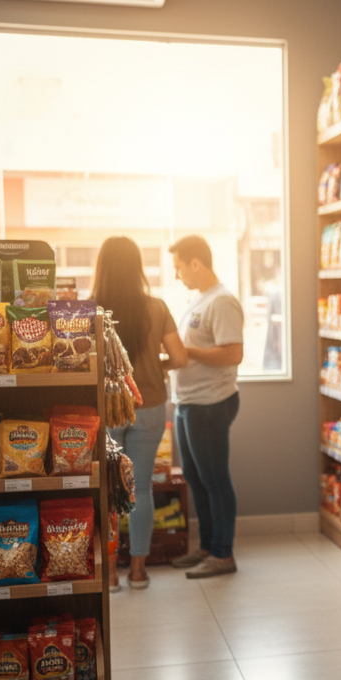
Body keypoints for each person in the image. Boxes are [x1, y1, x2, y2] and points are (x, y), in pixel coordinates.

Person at [92, 236, 187, 590]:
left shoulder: (89, 309)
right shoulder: (157, 307)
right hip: (148, 405)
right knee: (140, 488)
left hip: (106, 410)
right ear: (138, 268)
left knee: (107, 489)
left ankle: (111, 574)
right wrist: (152, 366)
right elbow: (179, 358)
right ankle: (138, 571)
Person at [168, 235, 244, 579]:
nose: (177, 275)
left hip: (210, 403)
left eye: (179, 268)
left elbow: (233, 353)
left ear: (195, 264)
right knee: (196, 479)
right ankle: (207, 548)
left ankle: (223, 555)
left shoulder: (222, 301)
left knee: (215, 479)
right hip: (189, 403)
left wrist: (186, 354)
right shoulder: (200, 300)